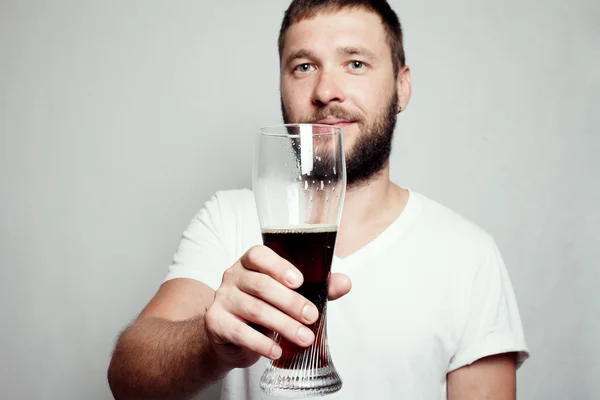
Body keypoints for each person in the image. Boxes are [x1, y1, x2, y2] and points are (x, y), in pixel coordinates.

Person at [107, 0, 530, 399]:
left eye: (356, 64)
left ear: (402, 87)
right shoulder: (228, 217)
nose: (326, 90)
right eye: (304, 66)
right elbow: (127, 379)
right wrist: (210, 343)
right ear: (281, 84)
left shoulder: (469, 255)